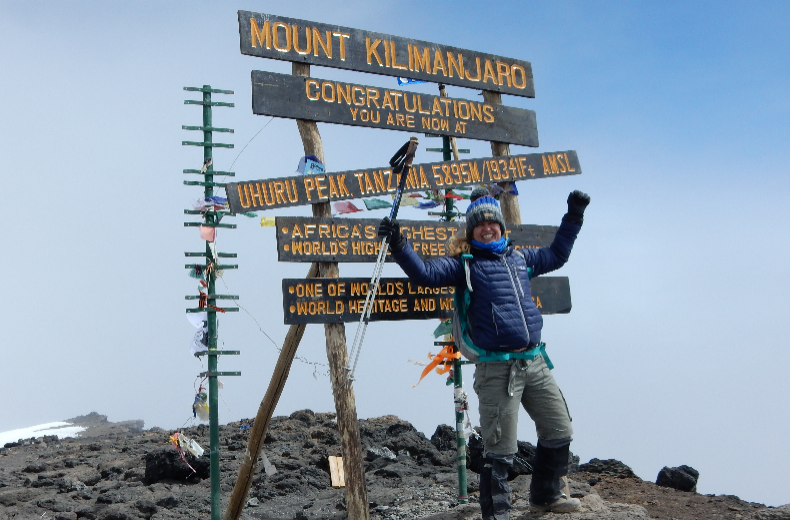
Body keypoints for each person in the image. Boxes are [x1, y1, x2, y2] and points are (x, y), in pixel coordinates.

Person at [378, 187, 590, 518]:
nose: (487, 228)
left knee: (559, 428)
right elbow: (425, 274)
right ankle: (497, 516)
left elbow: (557, 254)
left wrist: (574, 214)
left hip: (534, 361)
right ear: (471, 231)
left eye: (492, 223)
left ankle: (546, 496)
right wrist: (399, 244)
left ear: (501, 227)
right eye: (480, 225)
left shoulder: (520, 259)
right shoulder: (465, 266)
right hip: (497, 369)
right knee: (500, 450)